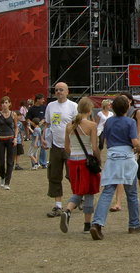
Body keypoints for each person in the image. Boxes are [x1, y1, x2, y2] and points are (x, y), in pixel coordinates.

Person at [90, 95, 140, 240]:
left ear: (113, 108)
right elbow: (134, 141)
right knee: (132, 193)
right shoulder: (129, 122)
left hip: (113, 156)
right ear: (127, 108)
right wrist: (139, 149)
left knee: (108, 191)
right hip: (127, 158)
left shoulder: (108, 122)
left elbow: (105, 137)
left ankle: (97, 223)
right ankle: (134, 224)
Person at [59, 97, 101, 234]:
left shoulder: (69, 125)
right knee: (88, 191)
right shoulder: (91, 125)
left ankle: (75, 216)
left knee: (79, 189)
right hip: (86, 161)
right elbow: (94, 147)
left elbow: (66, 147)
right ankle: (77, 216)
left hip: (73, 160)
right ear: (89, 110)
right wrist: (98, 160)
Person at [44, 82, 78, 217]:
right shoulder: (50, 106)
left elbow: (78, 126)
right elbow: (47, 124)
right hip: (55, 146)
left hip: (71, 147)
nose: (59, 92)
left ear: (67, 91)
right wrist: (44, 137)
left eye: (61, 90)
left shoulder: (73, 106)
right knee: (54, 174)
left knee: (72, 175)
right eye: (56, 90)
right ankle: (58, 205)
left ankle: (77, 198)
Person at [110, 92, 140, 211]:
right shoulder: (118, 115)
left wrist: (137, 145)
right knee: (121, 175)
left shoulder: (137, 112)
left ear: (130, 101)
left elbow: (139, 130)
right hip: (124, 147)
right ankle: (118, 203)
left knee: (139, 174)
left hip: (136, 146)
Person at [0, 96, 18, 189]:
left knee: (10, 161)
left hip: (10, 138)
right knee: (1, 162)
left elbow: (16, 127)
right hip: (0, 139)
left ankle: (7, 182)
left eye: (6, 103)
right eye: (3, 103)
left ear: (9, 104)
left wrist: (16, 138)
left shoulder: (13, 114)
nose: (4, 105)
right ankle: (2, 176)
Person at [26, 94, 48, 168]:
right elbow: (28, 118)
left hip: (43, 129)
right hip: (34, 130)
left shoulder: (44, 107)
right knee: (34, 146)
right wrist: (34, 124)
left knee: (43, 146)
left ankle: (43, 163)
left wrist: (43, 120)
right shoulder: (31, 109)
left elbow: (47, 116)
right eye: (42, 99)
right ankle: (34, 163)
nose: (43, 101)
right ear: (38, 99)